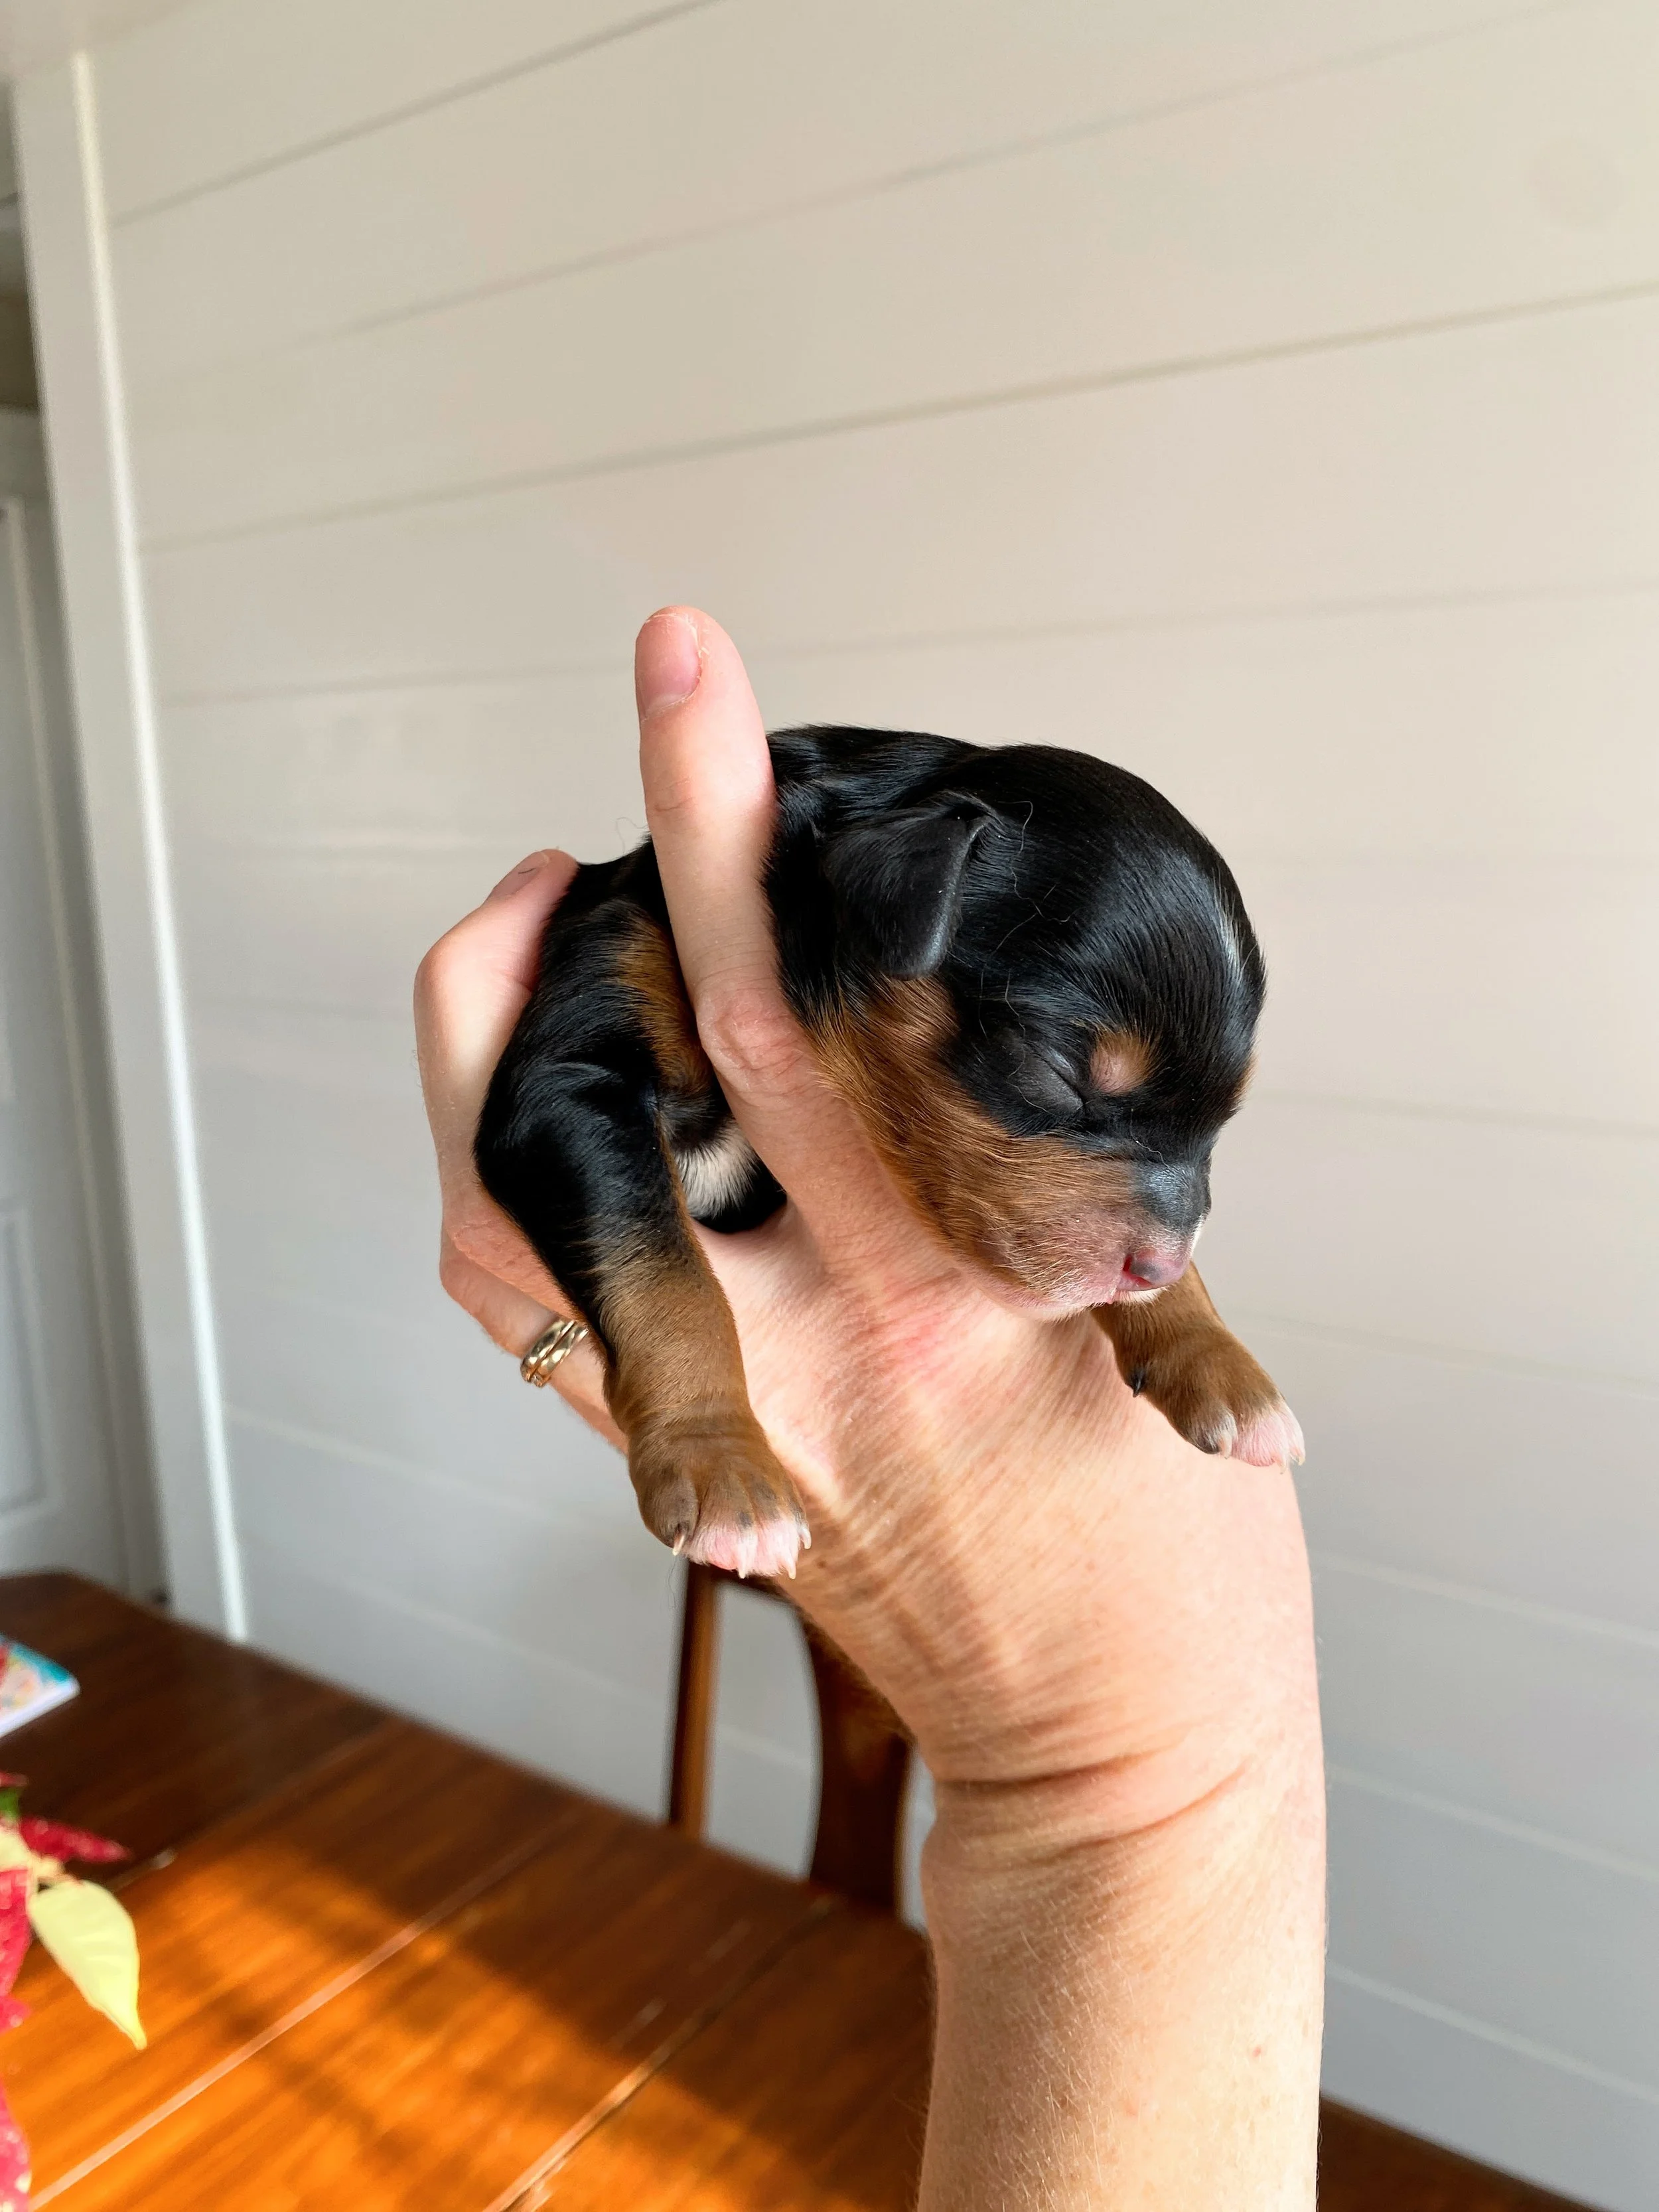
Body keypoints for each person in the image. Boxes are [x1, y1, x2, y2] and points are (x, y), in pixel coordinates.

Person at [415, 608, 1325, 2208]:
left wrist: (1162, 1314)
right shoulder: (672, 938)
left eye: (1195, 1153)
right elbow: (554, 1112)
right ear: (891, 899)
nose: (1163, 1232)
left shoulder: (1073, 1116)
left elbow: (1128, 1217)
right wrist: (683, 1400)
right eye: (1076, 1080)